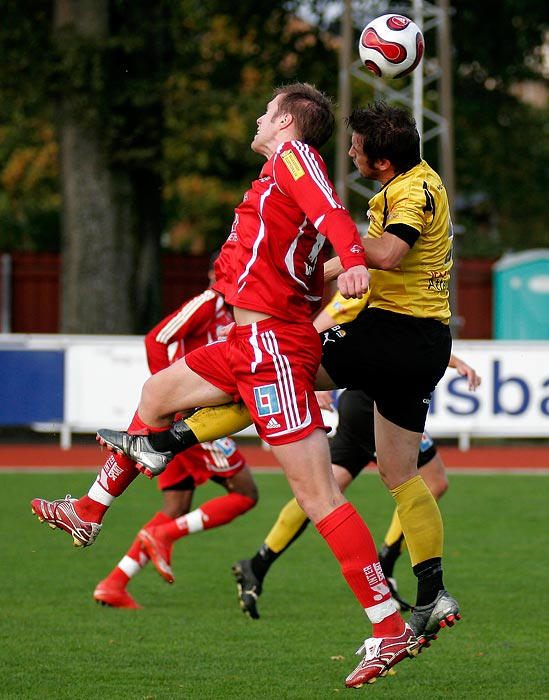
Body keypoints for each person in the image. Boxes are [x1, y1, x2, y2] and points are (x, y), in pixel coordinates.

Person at [31, 84, 418, 688]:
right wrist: (325, 261)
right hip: (243, 345)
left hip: (271, 348)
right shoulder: (280, 177)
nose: (258, 117)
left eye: (267, 110)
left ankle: (388, 625)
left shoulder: (296, 160)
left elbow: (333, 217)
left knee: (318, 495)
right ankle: (88, 510)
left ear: (287, 122)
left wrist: (355, 257)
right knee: (156, 393)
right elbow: (305, 243)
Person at [231, 290, 482, 620]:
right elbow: (324, 325)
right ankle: (388, 565)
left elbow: (392, 335)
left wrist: (454, 360)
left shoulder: (390, 282)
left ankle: (258, 564)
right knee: (430, 481)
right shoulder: (371, 279)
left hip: (361, 402)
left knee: (324, 489)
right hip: (376, 403)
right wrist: (308, 379)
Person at [94, 256, 258, 608]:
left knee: (177, 502)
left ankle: (114, 583)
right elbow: (157, 339)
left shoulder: (243, 311)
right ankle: (162, 535)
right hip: (192, 417)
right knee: (245, 494)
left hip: (193, 414)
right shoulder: (209, 303)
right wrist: (172, 400)